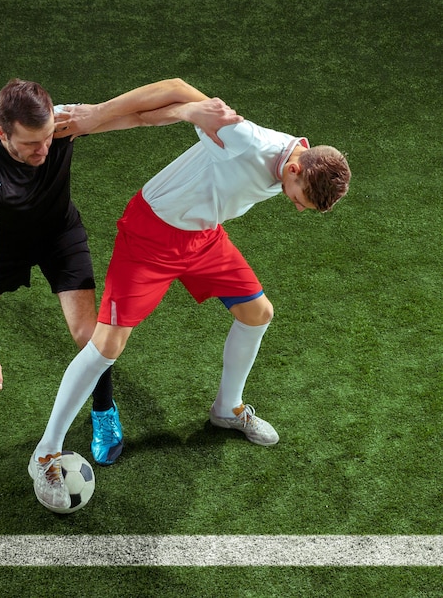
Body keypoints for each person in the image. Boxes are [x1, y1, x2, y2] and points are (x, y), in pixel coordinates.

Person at [28, 90, 352, 510]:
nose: (296, 208)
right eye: (297, 198)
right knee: (107, 344)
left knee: (258, 313)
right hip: (152, 234)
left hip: (203, 238)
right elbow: (178, 89)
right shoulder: (247, 139)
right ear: (295, 165)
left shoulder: (296, 160)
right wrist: (95, 116)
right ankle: (45, 451)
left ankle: (227, 409)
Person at [0, 77, 240, 467]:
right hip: (5, 245)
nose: (44, 148)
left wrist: (187, 111)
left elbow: (141, 113)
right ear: (1, 133)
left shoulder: (60, 123)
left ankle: (104, 413)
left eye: (47, 138)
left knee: (88, 336)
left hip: (61, 237)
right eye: (30, 143)